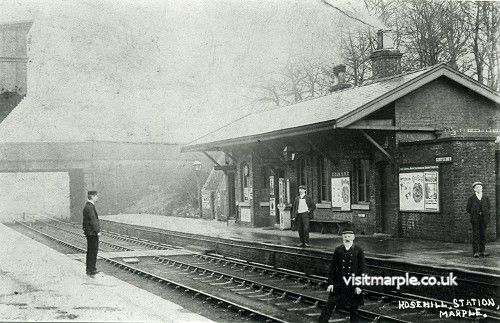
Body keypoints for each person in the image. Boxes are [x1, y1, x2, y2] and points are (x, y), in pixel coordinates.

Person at [319, 227, 365, 323]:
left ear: (353, 237)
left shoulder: (358, 251)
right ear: (342, 238)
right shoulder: (338, 250)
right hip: (339, 284)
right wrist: (330, 283)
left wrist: (359, 285)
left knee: (354, 309)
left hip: (352, 284)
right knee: (329, 305)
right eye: (345, 237)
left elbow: (362, 270)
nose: (347, 239)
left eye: (349, 236)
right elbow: (332, 268)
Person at [466, 182, 490, 258]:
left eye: (480, 187)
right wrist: (475, 213)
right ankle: (475, 252)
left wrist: (483, 213)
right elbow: (468, 209)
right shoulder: (471, 198)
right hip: (475, 219)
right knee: (475, 235)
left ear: (482, 188)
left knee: (483, 235)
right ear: (474, 189)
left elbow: (489, 207)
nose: (478, 189)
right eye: (476, 187)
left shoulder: (485, 197)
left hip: (483, 219)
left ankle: (482, 251)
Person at [82, 190, 101, 276]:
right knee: (93, 250)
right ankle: (92, 269)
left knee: (90, 250)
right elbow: (93, 220)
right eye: (96, 196)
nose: (97, 197)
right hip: (92, 233)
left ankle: (89, 268)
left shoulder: (87, 206)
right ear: (92, 196)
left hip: (89, 232)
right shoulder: (90, 207)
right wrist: (97, 231)